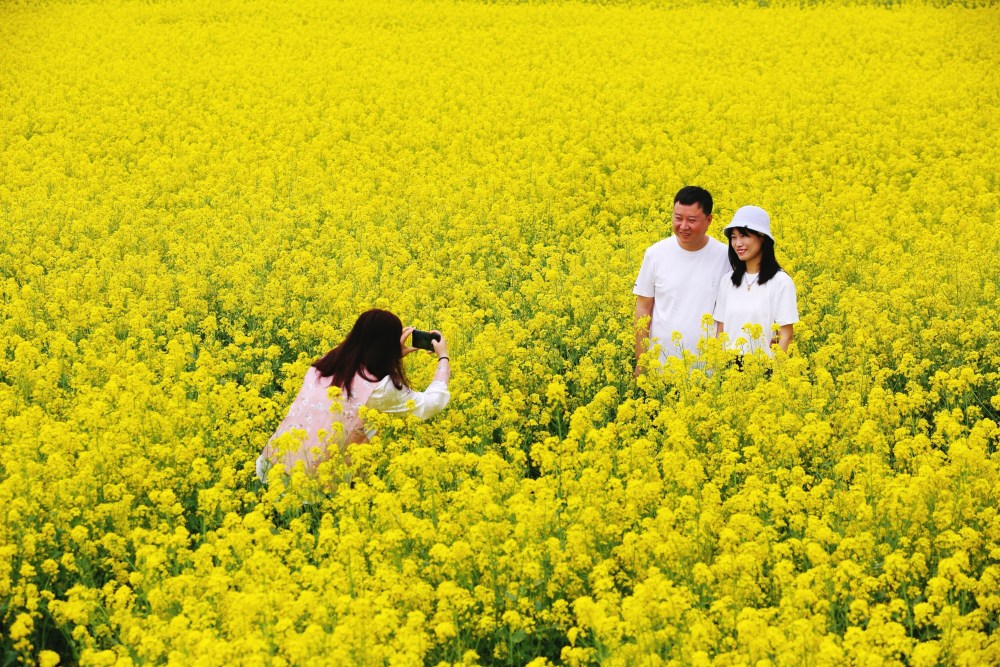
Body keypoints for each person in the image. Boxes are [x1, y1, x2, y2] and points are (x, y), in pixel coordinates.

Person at [256, 309, 450, 484]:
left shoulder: (324, 364)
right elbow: (429, 405)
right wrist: (443, 357)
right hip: (311, 484)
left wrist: (390, 356)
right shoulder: (379, 388)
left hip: (272, 465)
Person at [633, 185, 731, 373]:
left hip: (708, 371)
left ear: (709, 220)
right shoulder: (655, 254)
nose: (683, 226)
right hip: (660, 368)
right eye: (678, 218)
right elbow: (643, 309)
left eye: (691, 220)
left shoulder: (726, 257)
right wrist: (642, 362)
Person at [713, 205, 798, 357]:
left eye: (744, 236)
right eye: (733, 237)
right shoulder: (728, 281)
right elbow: (721, 331)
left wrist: (776, 371)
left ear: (762, 238)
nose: (737, 243)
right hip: (729, 366)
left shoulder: (781, 282)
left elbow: (786, 337)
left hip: (765, 367)